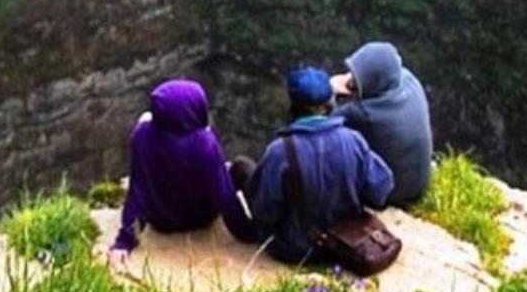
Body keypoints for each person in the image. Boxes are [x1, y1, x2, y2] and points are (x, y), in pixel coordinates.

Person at [247, 67, 394, 265]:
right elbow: (380, 191)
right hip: (347, 243)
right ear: (329, 104)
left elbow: (265, 211)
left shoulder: (279, 152)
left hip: (295, 249)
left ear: (292, 106)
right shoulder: (353, 140)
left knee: (242, 168)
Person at [109, 79, 259, 254]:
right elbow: (224, 196)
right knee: (237, 167)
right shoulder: (204, 143)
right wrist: (248, 233)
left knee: (144, 120)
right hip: (201, 218)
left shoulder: (142, 136)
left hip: (160, 220)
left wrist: (124, 241)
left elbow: (137, 191)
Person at [331, 41, 434, 205]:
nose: (350, 78)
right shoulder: (411, 81)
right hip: (420, 183)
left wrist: (332, 90)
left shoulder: (363, 114)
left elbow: (324, 127)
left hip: (390, 194)